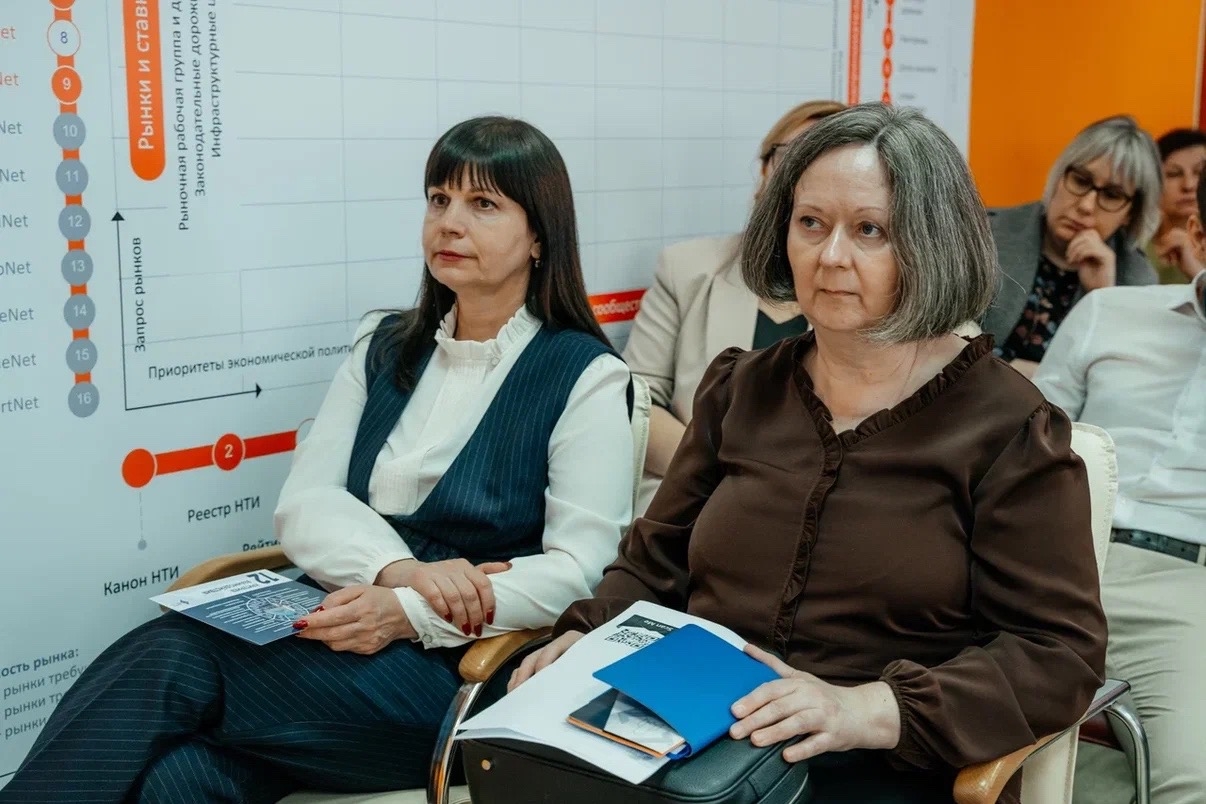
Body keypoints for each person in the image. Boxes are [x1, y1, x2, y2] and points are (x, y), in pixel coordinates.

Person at [0, 117, 635, 804]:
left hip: (450, 670)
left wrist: (409, 610)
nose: (449, 224)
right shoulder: (384, 344)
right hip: (330, 624)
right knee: (177, 782)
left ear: (539, 235)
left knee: (174, 653)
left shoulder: (585, 375)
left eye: (483, 204)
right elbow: (307, 501)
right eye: (438, 199)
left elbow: (582, 571)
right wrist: (402, 573)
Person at [511, 103, 1107, 804]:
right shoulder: (741, 388)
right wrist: (585, 634)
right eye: (811, 223)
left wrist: (866, 709)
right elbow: (654, 563)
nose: (830, 257)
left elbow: (1058, 655)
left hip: (881, 759)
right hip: (693, 736)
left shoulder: (1007, 426)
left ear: (933, 243)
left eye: (870, 230)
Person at [1034, 178, 1206, 804]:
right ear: (1199, 234)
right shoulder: (1108, 312)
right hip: (1050, 554)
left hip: (1183, 585)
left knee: (1194, 780)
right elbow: (1022, 444)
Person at [623, 99, 845, 514]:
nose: (802, 178)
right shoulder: (686, 269)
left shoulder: (870, 288)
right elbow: (635, 400)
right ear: (762, 173)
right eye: (791, 157)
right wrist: (717, 475)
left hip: (820, 511)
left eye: (825, 163)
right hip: (692, 505)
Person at [982, 115, 1161, 378]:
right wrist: (1036, 376)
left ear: (1130, 214)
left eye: (1112, 195)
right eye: (1080, 180)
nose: (1086, 205)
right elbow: (946, 342)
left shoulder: (1137, 281)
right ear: (1059, 177)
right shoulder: (986, 234)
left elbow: (1121, 380)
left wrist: (1102, 298)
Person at [1148, 127, 1206, 284]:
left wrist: (1197, 272)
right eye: (1173, 174)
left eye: (1200, 172)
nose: (1189, 185)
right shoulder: (1132, 248)